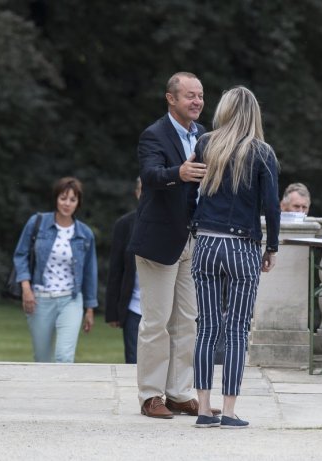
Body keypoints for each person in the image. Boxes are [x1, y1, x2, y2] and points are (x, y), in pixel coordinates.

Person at [187, 86, 280, 429]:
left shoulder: (205, 144)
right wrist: (272, 247)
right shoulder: (262, 152)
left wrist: (192, 227)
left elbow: (189, 194)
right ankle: (228, 410)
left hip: (207, 244)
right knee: (237, 329)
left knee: (206, 328)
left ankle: (202, 408)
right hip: (242, 246)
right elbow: (271, 207)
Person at [128, 71, 219, 419]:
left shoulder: (205, 136)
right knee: (155, 322)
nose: (197, 101)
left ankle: (179, 392)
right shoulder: (153, 135)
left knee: (187, 320)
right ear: (171, 99)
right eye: (189, 96)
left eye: (200, 95)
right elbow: (150, 175)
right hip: (158, 241)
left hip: (193, 239)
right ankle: (151, 395)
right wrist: (175, 174)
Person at [13, 177, 98, 363]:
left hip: (71, 299)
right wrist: (26, 289)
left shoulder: (85, 234)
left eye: (72, 199)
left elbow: (90, 273)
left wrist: (90, 309)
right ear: (56, 199)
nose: (67, 204)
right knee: (42, 358)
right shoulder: (37, 223)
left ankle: (64, 392)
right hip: (40, 299)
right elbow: (20, 255)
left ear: (78, 203)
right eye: (63, 198)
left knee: (64, 356)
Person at [105, 178, 142, 364]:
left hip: (163, 309)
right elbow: (116, 269)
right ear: (137, 193)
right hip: (134, 307)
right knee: (133, 361)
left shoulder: (172, 223)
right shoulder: (124, 225)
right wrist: (113, 311)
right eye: (143, 190)